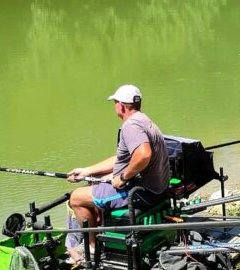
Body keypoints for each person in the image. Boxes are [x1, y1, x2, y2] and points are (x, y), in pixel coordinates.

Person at [65, 85, 170, 259]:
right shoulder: (144, 120)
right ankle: (97, 227)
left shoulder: (131, 126)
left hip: (142, 192)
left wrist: (123, 177)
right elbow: (121, 159)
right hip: (154, 187)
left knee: (75, 198)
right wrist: (87, 171)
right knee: (92, 182)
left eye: (115, 103)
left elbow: (143, 155)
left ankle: (91, 247)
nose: (115, 107)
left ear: (121, 105)